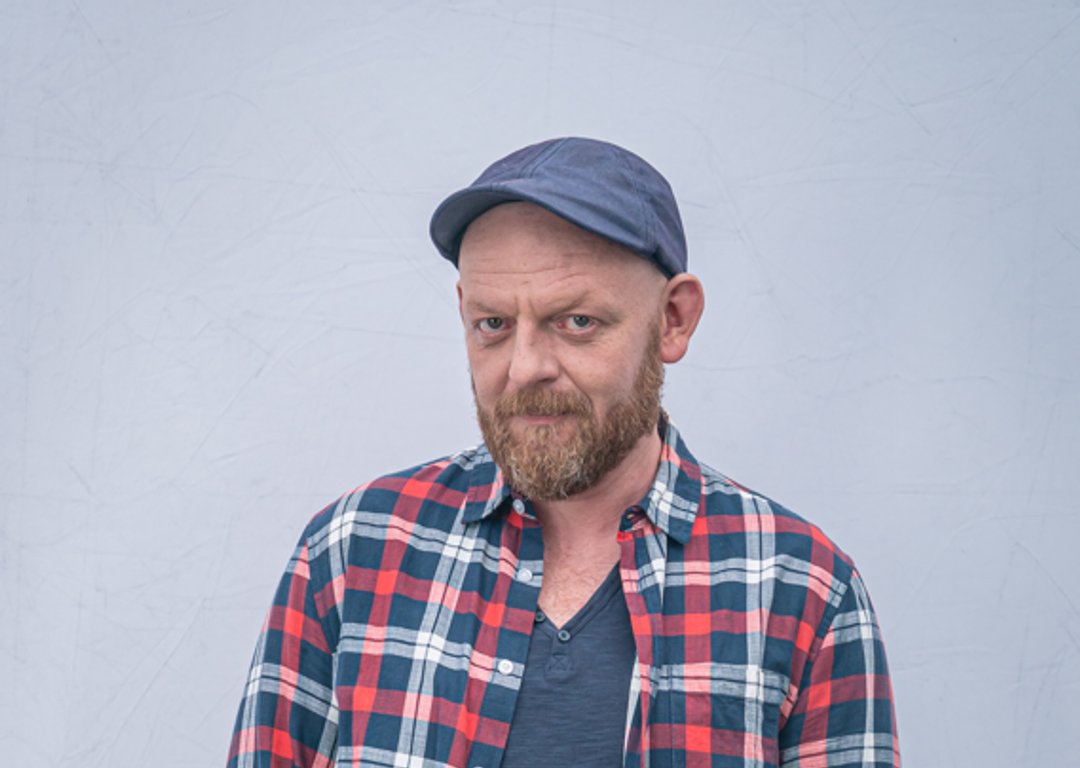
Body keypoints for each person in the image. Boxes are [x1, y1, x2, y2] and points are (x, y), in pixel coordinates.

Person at [226, 137, 900, 768]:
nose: (525, 368)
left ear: (673, 319)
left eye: (577, 322)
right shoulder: (353, 552)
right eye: (493, 324)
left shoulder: (803, 589)